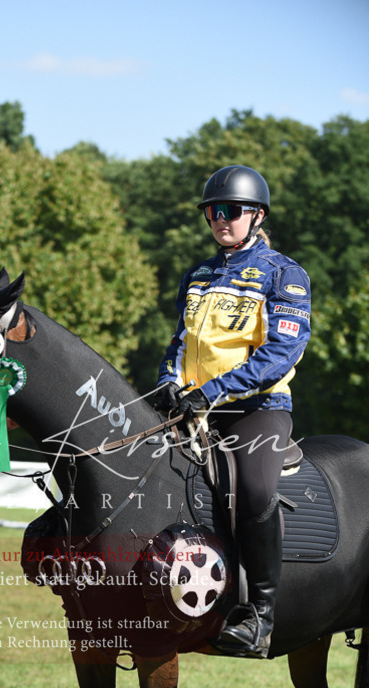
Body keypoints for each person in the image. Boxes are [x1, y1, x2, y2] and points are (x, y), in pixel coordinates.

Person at [155, 165, 312, 658]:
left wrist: (214, 392)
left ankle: (260, 615)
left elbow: (280, 353)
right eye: (213, 211)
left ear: (257, 215)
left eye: (232, 210)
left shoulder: (284, 274)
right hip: (195, 408)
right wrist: (168, 383)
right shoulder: (198, 275)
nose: (221, 219)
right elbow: (180, 343)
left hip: (256, 409)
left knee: (257, 490)